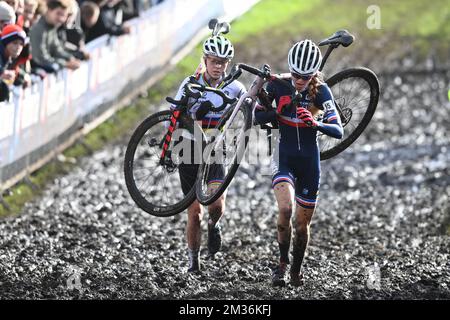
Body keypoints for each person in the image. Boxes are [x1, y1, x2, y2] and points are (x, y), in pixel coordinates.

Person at [254, 39, 343, 286]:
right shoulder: (279, 85)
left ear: (314, 73)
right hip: (284, 157)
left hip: (309, 163)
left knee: (302, 226)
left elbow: (338, 130)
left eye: (305, 77)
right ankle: (281, 265)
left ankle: (296, 269)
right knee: (285, 210)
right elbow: (256, 116)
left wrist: (316, 124)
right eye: (295, 75)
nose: (299, 80)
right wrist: (277, 112)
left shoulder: (322, 91)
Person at [171, 35, 246, 272]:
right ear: (205, 60)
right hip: (189, 150)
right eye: (214, 61)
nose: (219, 66)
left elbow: (253, 106)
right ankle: (194, 262)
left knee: (216, 206)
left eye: (223, 62)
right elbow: (171, 116)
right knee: (194, 214)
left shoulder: (234, 87)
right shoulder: (189, 83)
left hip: (215, 151)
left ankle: (215, 225)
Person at [29, 0, 81, 73]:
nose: (60, 18)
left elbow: (56, 49)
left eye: (63, 15)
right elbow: (40, 58)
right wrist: (65, 64)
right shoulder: (38, 29)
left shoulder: (52, 27)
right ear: (49, 10)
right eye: (58, 13)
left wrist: (70, 58)